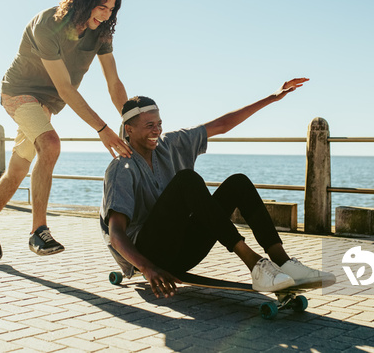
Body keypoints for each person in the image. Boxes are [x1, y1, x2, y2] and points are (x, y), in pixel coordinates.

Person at [100, 78, 336, 298]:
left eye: (159, 124)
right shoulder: (122, 168)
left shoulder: (169, 144)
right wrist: (148, 268)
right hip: (149, 254)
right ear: (128, 129)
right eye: (149, 125)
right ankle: (255, 265)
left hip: (182, 249)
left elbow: (222, 125)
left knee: (238, 183)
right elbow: (116, 235)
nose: (157, 131)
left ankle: (283, 262)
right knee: (187, 180)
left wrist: (272, 97)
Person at [0, 0, 132, 260]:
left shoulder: (101, 33)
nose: (106, 14)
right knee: (49, 143)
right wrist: (103, 129)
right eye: (102, 6)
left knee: (18, 168)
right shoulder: (48, 24)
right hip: (19, 92)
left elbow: (114, 83)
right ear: (84, 0)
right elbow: (65, 88)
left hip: (47, 103)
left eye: (111, 10)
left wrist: (130, 120)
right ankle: (39, 231)